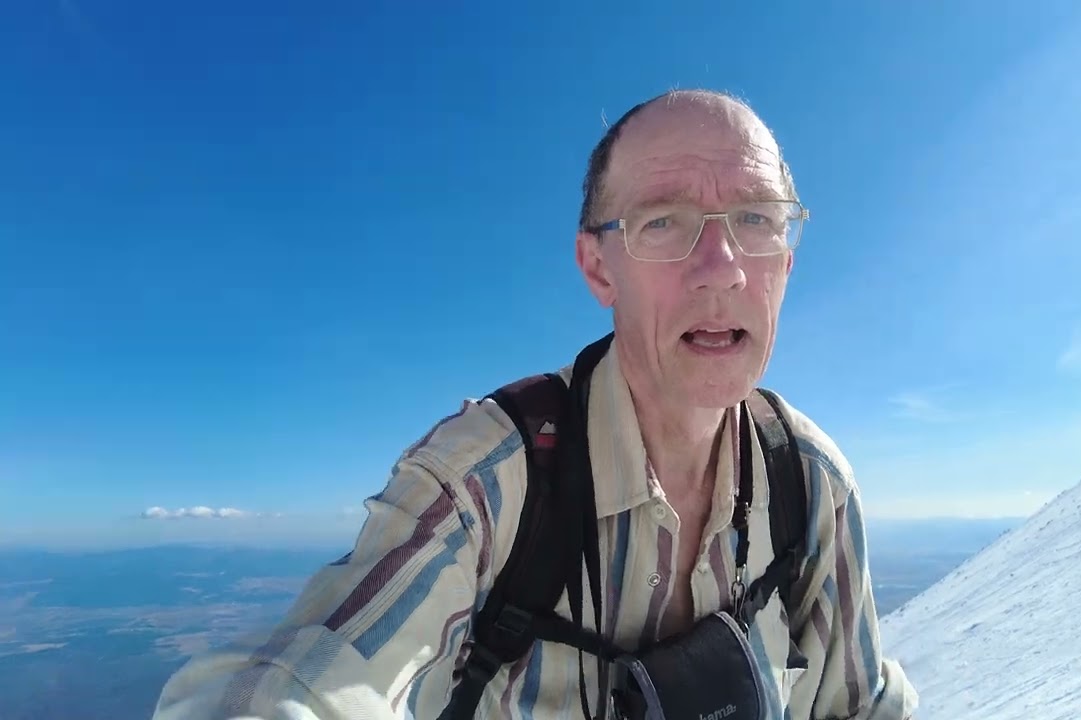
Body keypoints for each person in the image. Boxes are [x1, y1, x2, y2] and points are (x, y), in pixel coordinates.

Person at [152, 89, 917, 720]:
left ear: (785, 260)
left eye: (755, 219)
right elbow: (308, 684)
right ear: (599, 269)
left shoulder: (810, 485)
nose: (722, 269)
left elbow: (862, 704)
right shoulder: (486, 482)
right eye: (664, 222)